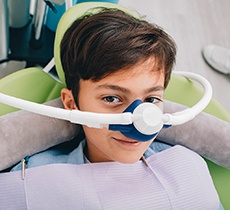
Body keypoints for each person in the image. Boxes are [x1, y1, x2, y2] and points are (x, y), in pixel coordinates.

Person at [11, 7, 222, 209]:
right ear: (71, 103)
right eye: (112, 98)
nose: (139, 121)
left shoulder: (187, 168)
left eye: (150, 100)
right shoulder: (33, 178)